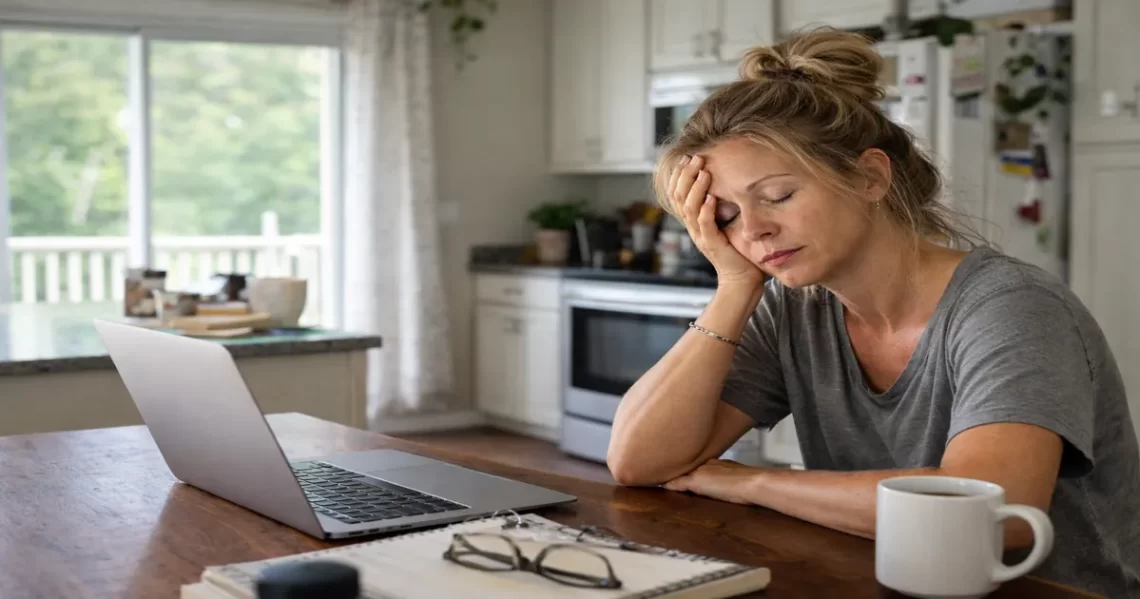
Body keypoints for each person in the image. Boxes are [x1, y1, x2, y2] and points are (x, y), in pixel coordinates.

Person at [606, 27, 1140, 597]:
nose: (754, 228)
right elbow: (638, 461)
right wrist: (735, 284)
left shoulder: (1012, 307)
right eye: (728, 215)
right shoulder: (791, 308)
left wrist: (752, 482)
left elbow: (996, 510)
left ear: (870, 176)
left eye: (779, 195)